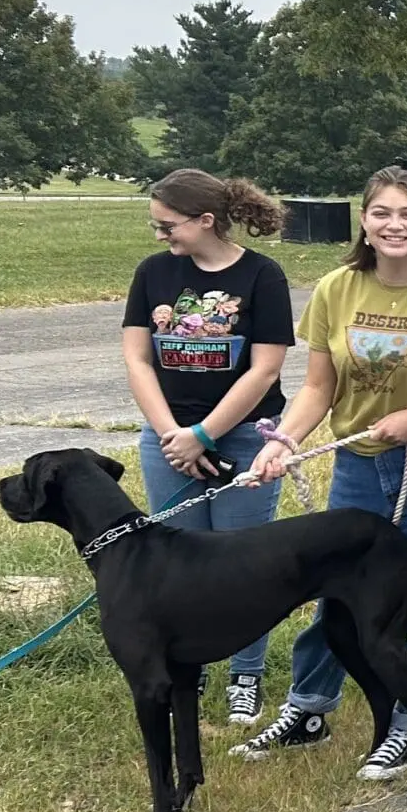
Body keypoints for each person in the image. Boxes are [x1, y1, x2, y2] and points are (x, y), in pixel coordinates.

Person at [237, 167, 407, 780]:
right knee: (334, 591)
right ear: (364, 223)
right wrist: (285, 439)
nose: (394, 225)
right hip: (355, 463)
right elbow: (320, 385)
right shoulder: (335, 289)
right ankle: (310, 708)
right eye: (381, 214)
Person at [119, 168, 294, 727]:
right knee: (176, 560)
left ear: (206, 221)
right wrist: (174, 435)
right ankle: (183, 670)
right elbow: (138, 358)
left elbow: (265, 370)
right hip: (167, 438)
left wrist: (205, 435)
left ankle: (246, 674)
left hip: (242, 435)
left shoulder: (262, 276)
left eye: (167, 225)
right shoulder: (153, 274)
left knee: (242, 561)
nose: (160, 236)